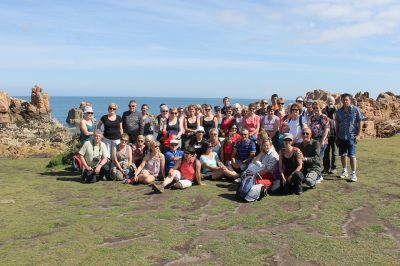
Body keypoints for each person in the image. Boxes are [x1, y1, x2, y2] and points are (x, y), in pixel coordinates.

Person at [335, 93, 364, 182]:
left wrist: (359, 135)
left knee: (352, 155)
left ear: (350, 100)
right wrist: (337, 136)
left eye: (346, 100)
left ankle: (354, 173)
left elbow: (360, 122)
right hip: (341, 136)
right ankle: (344, 171)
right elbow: (337, 124)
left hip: (352, 137)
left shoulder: (356, 110)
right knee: (343, 155)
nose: (345, 101)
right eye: (343, 100)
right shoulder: (339, 112)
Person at [322, 96, 338, 174]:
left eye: (331, 101)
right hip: (326, 134)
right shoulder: (323, 111)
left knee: (334, 152)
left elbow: (338, 122)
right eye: (329, 101)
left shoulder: (337, 111)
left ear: (334, 102)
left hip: (334, 134)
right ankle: (326, 168)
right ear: (326, 102)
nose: (330, 103)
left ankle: (334, 168)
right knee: (326, 152)